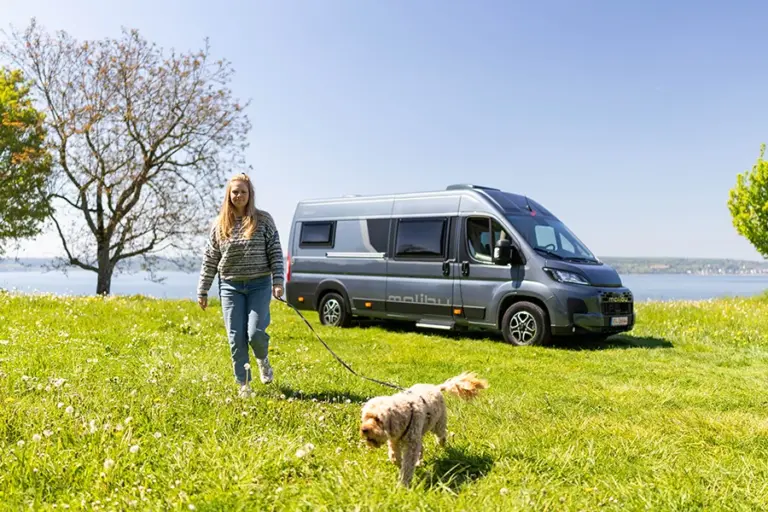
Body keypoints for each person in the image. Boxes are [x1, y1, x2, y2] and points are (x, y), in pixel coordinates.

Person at [196, 173, 285, 398]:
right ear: (229, 194)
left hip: (259, 284)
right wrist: (203, 289)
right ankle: (244, 385)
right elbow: (210, 258)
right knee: (236, 337)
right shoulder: (219, 224)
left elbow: (275, 251)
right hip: (230, 286)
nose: (239, 195)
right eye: (235, 191)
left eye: (243, 191)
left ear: (250, 194)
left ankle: (262, 359)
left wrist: (278, 281)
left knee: (255, 333)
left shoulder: (263, 220)